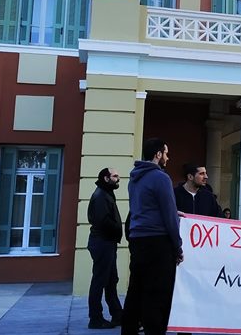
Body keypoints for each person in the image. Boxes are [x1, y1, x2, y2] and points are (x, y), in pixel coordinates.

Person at [122, 138, 183, 335]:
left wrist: (174, 211)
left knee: (136, 291)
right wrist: (177, 246)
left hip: (138, 239)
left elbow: (146, 207)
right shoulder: (161, 178)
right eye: (165, 153)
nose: (167, 157)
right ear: (157, 154)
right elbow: (167, 215)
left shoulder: (134, 178)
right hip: (158, 242)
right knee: (158, 295)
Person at [87, 168, 123, 329]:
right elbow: (102, 221)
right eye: (115, 176)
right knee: (100, 281)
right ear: (106, 178)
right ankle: (95, 319)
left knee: (111, 281)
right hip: (102, 243)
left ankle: (117, 315)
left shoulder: (105, 193)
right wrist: (116, 229)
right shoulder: (101, 195)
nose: (118, 178)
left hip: (107, 242)